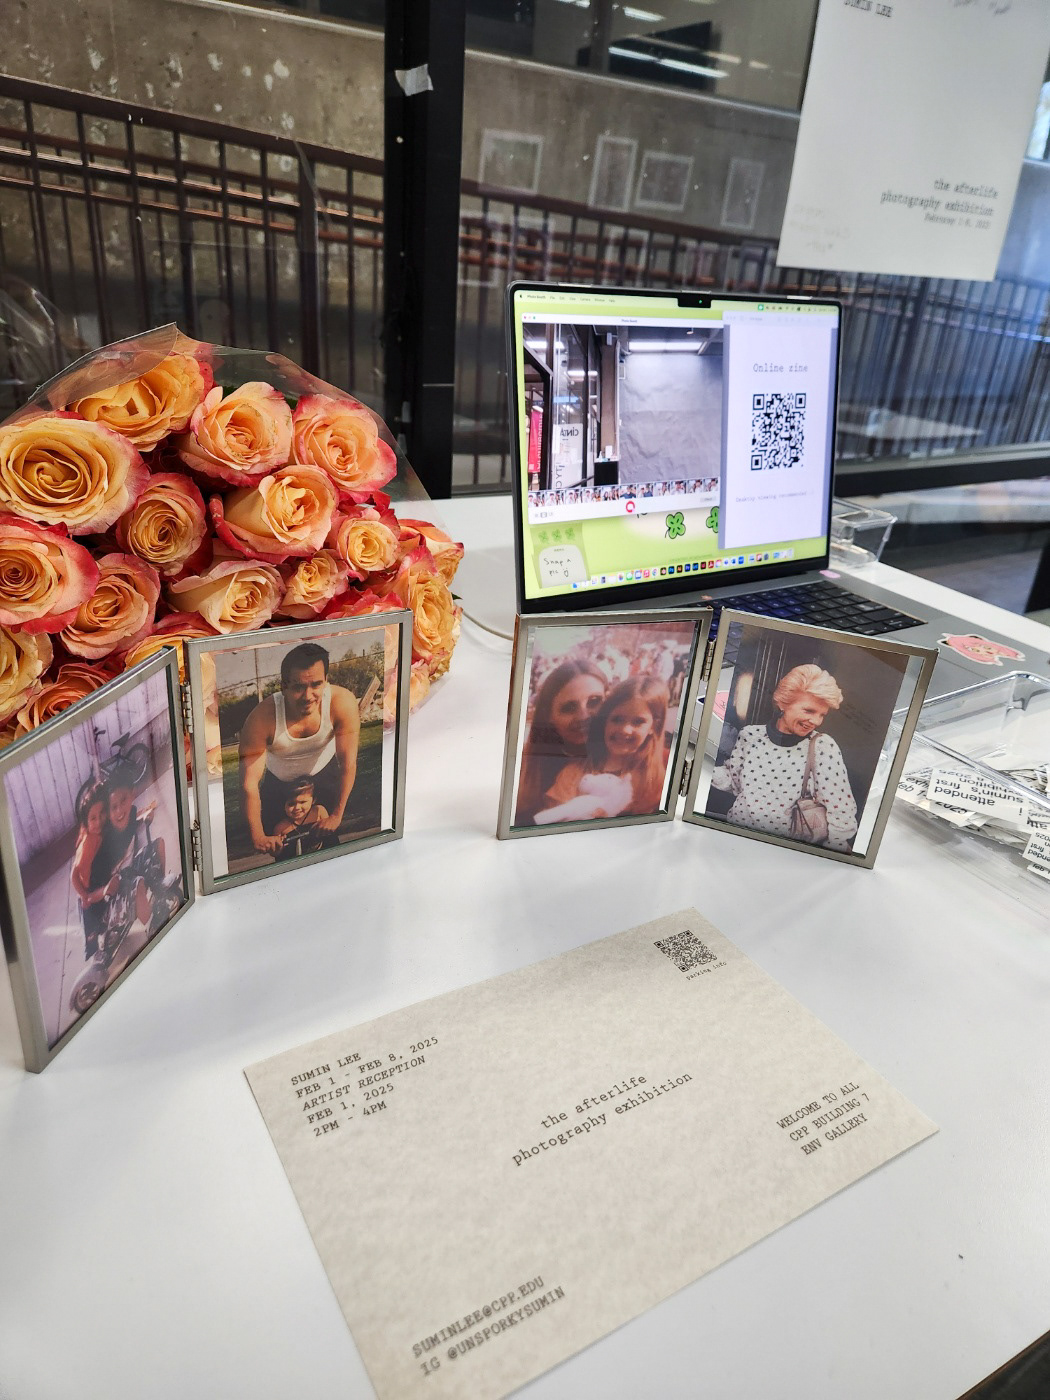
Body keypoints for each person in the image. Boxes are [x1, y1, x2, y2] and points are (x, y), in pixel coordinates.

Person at [708, 663, 858, 851]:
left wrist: (825, 853)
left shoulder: (823, 747)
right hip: (736, 834)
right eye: (809, 711)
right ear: (783, 703)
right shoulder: (750, 736)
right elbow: (735, 783)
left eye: (822, 715)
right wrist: (698, 765)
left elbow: (842, 812)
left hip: (785, 847)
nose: (816, 721)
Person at [239, 642, 362, 857]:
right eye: (298, 687)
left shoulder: (342, 702)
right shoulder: (261, 718)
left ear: (326, 681)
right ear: (283, 686)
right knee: (283, 852)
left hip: (324, 775)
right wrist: (257, 834)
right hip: (279, 784)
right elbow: (249, 783)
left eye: (316, 684)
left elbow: (348, 763)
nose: (308, 696)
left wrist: (336, 815)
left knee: (330, 847)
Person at [536, 676, 670, 823]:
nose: (625, 730)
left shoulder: (655, 778)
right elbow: (553, 821)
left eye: (638, 722)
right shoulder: (574, 773)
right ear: (605, 720)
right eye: (617, 719)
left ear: (653, 726)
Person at [514, 660, 607, 825]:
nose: (584, 717)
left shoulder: (627, 759)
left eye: (594, 701)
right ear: (549, 716)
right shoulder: (523, 768)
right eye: (569, 708)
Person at [71, 782, 109, 960]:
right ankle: (96, 954)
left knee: (104, 916)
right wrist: (84, 895)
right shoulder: (87, 843)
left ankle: (105, 936)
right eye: (93, 818)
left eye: (102, 813)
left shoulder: (99, 831)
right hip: (88, 890)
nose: (99, 820)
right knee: (92, 930)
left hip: (96, 881)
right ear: (86, 822)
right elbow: (73, 875)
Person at [272, 775, 339, 862]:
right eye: (291, 804)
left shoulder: (319, 812)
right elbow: (276, 854)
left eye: (302, 802)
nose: (297, 807)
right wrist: (279, 846)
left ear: (313, 800)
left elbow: (331, 837)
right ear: (283, 806)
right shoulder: (281, 828)